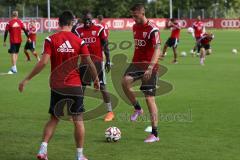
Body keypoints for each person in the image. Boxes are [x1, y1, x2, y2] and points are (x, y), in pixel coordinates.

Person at [18, 11, 100, 160]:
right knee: (78, 120)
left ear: (58, 23)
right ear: (71, 23)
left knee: (54, 118)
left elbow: (43, 62)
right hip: (74, 86)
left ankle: (43, 150)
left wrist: (26, 79)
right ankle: (80, 155)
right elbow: (89, 62)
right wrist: (96, 80)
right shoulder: (79, 40)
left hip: (57, 85)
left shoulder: (50, 39)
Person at [121, 3, 161, 143]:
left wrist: (150, 68)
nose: (133, 18)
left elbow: (157, 49)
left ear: (142, 13)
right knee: (124, 81)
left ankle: (155, 134)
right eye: (132, 16)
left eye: (135, 15)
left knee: (149, 99)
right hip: (136, 64)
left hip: (150, 66)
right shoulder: (134, 27)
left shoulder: (152, 29)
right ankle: (137, 108)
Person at [74, 11, 115, 122]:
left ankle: (110, 112)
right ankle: (78, 110)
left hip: (97, 62)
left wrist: (108, 60)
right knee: (82, 87)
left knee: (102, 86)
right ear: (82, 20)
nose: (87, 22)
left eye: (89, 20)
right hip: (84, 63)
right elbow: (75, 45)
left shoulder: (99, 28)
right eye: (85, 20)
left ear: (92, 19)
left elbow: (105, 44)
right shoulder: (78, 30)